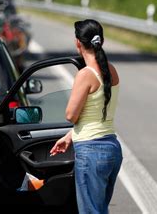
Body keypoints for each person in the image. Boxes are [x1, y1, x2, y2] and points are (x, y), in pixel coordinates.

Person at [50, 19, 122, 214]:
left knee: (90, 211)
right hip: (111, 149)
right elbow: (96, 116)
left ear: (78, 43)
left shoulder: (85, 75)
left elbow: (71, 115)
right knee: (99, 209)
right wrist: (70, 137)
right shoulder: (111, 70)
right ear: (102, 42)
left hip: (91, 151)